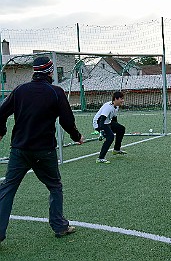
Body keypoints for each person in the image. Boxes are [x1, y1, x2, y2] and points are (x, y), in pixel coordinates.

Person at [0, 56, 84, 242]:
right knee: (54, 186)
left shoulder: (20, 90)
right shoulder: (56, 92)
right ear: (50, 72)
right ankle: (60, 226)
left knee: (8, 188)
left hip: (19, 149)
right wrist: (76, 137)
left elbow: (1, 113)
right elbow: (67, 121)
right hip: (44, 151)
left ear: (34, 71)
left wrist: (1, 131)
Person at [93, 91, 126, 164]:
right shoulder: (108, 107)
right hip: (99, 123)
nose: (123, 100)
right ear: (116, 99)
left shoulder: (116, 107)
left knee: (121, 129)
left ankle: (116, 150)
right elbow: (101, 119)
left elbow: (114, 119)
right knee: (110, 137)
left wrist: (116, 127)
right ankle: (100, 158)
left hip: (107, 122)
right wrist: (101, 131)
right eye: (121, 98)